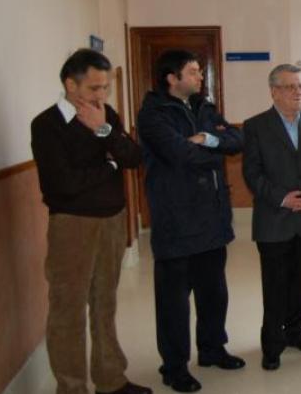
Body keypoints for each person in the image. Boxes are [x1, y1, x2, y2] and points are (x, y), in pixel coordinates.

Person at [31, 49, 150, 394]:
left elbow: (133, 157)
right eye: (95, 88)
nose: (102, 96)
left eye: (106, 89)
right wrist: (109, 166)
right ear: (71, 84)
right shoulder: (47, 125)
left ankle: (110, 379)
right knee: (68, 309)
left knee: (105, 303)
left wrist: (103, 132)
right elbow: (62, 186)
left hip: (112, 220)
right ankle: (71, 387)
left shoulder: (105, 115)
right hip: (72, 225)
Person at [137, 50, 245, 393]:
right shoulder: (153, 115)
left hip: (212, 219)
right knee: (173, 303)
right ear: (172, 78)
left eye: (200, 72)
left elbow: (237, 139)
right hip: (176, 221)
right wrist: (214, 150)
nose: (200, 77)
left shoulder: (205, 108)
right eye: (194, 72)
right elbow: (178, 153)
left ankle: (212, 350)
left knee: (215, 294)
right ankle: (174, 366)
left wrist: (210, 139)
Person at [242, 65, 301, 371]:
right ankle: (272, 344)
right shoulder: (255, 126)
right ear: (274, 92)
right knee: (275, 285)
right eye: (290, 87)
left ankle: (295, 331)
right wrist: (283, 198)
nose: (298, 92)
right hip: (274, 220)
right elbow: (252, 174)